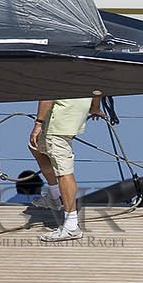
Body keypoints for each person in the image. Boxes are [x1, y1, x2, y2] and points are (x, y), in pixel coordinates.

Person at [29, 92, 103, 243]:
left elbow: (48, 94)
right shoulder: (85, 68)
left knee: (64, 173)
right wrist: (95, 107)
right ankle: (54, 197)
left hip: (58, 124)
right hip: (73, 118)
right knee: (35, 147)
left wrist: (38, 123)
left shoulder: (55, 68)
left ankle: (71, 226)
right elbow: (97, 90)